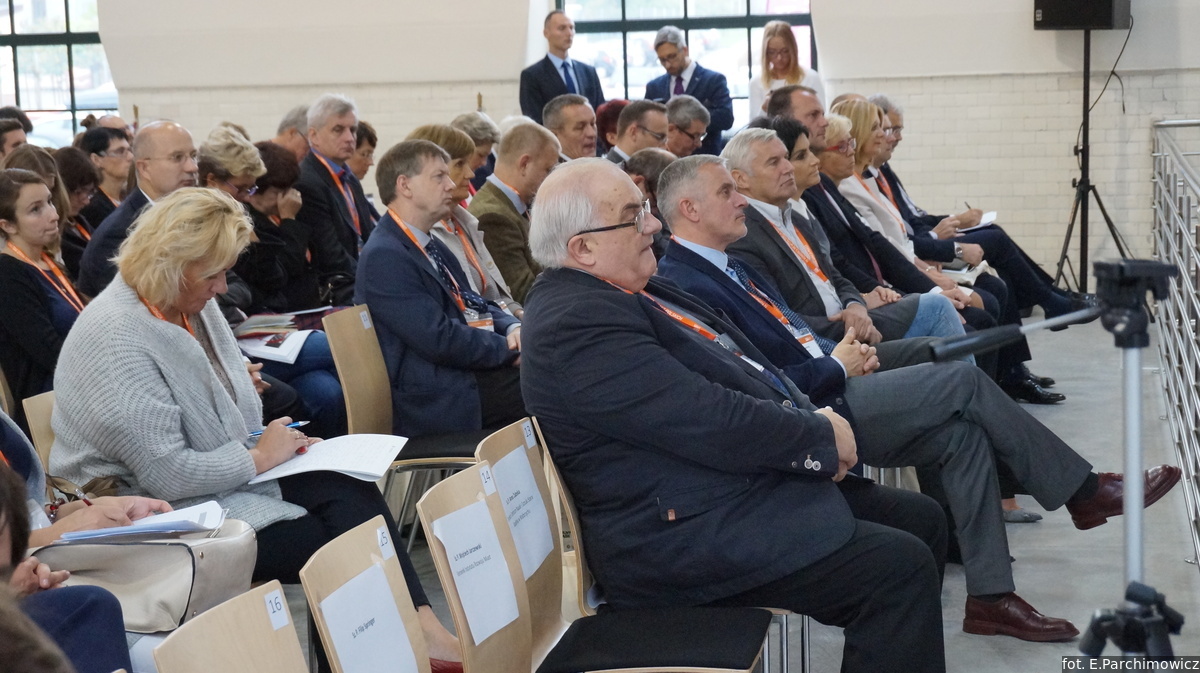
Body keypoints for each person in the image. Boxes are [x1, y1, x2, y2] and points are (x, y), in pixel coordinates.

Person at [654, 153, 1184, 640]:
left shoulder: (730, 262)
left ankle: (990, 598)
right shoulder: (687, 280)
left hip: (832, 368)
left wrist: (843, 351)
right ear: (689, 209)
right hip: (814, 409)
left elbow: (793, 333)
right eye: (727, 192)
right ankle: (1082, 490)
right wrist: (835, 366)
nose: (741, 199)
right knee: (960, 381)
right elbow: (756, 381)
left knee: (961, 431)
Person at [521, 157, 948, 672]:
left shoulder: (619, 289)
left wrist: (812, 420)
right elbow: (705, 418)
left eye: (646, 209)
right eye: (633, 216)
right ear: (583, 248)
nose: (653, 226)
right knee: (898, 571)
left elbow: (741, 369)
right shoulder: (575, 324)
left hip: (718, 488)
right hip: (678, 537)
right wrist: (816, 438)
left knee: (922, 520)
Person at [48, 187, 464, 670]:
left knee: (345, 485)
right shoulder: (115, 338)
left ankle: (420, 628)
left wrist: (277, 441)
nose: (222, 287)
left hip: (206, 485)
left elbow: (233, 417)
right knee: (331, 542)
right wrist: (262, 457)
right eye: (213, 274)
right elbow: (167, 475)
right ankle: (394, 650)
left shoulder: (186, 303)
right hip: (138, 514)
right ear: (171, 267)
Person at [722, 128, 962, 369]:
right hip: (829, 346)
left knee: (939, 309)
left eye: (786, 157)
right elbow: (779, 318)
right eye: (774, 162)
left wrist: (855, 305)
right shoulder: (743, 235)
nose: (788, 167)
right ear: (740, 179)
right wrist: (853, 325)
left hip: (852, 318)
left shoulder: (793, 216)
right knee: (941, 318)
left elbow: (836, 276)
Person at [356, 140, 524, 437]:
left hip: (460, 375)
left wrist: (513, 328)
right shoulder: (385, 255)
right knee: (551, 385)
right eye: (439, 176)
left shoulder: (428, 244)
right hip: (436, 398)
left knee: (554, 375)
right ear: (405, 186)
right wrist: (508, 352)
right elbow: (439, 339)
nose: (451, 185)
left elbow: (474, 303)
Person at [198, 125, 347, 440]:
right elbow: (269, 280)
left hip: (262, 322)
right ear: (212, 181)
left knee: (327, 391)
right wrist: (285, 224)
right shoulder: (210, 222)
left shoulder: (243, 215)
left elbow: (247, 287)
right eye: (242, 188)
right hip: (239, 336)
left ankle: (333, 457)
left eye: (251, 188)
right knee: (338, 343)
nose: (247, 197)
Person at [1, 459, 132, 673]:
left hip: (31, 556)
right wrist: (6, 586)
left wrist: (61, 512)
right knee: (92, 605)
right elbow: (175, 475)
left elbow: (19, 505)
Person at [407, 124, 522, 317]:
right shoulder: (424, 233)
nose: (471, 174)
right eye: (460, 164)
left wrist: (518, 315)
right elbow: (465, 312)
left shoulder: (464, 222)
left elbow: (497, 295)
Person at [0, 170, 82, 435]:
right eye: (36, 209)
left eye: (49, 201)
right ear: (7, 225)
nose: (53, 214)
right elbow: (49, 351)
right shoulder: (8, 273)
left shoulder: (47, 261)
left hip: (78, 388)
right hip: (50, 404)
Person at [76, 120, 199, 297]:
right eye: (177, 157)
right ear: (144, 168)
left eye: (193, 156)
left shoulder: (190, 213)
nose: (192, 167)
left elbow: (225, 277)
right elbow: (140, 305)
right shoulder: (121, 235)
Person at [294, 94, 375, 302]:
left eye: (353, 129)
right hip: (339, 289)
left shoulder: (348, 176)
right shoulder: (307, 182)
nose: (350, 138)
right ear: (314, 136)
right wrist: (374, 279)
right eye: (338, 130)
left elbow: (369, 236)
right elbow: (330, 256)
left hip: (359, 280)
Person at [467, 122, 560, 303]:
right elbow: (524, 293)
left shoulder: (511, 204)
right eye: (548, 170)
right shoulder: (493, 217)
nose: (552, 179)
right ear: (524, 164)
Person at [644, 26, 733, 156]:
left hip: (703, 156)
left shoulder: (713, 80)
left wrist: (688, 123)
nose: (668, 64)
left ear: (685, 50)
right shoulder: (654, 87)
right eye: (662, 60)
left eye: (672, 56)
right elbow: (647, 125)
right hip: (664, 159)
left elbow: (726, 118)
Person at [519, 10, 605, 125]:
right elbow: (534, 119)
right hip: (553, 135)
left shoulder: (588, 72)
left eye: (571, 28)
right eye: (562, 28)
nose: (569, 33)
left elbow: (600, 112)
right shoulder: (532, 76)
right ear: (546, 33)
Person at [749, 20, 826, 116]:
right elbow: (754, 122)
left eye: (784, 51)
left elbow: (821, 115)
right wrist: (765, 108)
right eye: (772, 52)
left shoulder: (810, 78)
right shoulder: (757, 82)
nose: (779, 58)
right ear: (765, 53)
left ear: (792, 49)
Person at [52, 147, 101, 281]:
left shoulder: (79, 221)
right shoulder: (56, 232)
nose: (86, 201)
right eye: (78, 192)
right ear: (60, 189)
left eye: (90, 192)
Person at [78, 127, 132, 229]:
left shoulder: (128, 196)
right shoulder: (92, 208)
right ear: (96, 160)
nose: (130, 157)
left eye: (129, 150)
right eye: (120, 151)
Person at [450, 111, 501, 200]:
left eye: (487, 156)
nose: (484, 163)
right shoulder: (450, 190)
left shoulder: (467, 185)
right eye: (480, 155)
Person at [604, 99, 669, 164]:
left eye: (666, 139)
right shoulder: (607, 169)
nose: (666, 147)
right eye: (660, 137)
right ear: (634, 132)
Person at [543, 94, 597, 162]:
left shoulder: (603, 165)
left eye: (592, 124)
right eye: (580, 127)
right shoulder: (552, 168)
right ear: (554, 136)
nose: (592, 133)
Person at [664, 94, 710, 159]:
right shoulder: (652, 162)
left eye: (701, 136)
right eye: (695, 136)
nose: (699, 144)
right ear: (670, 129)